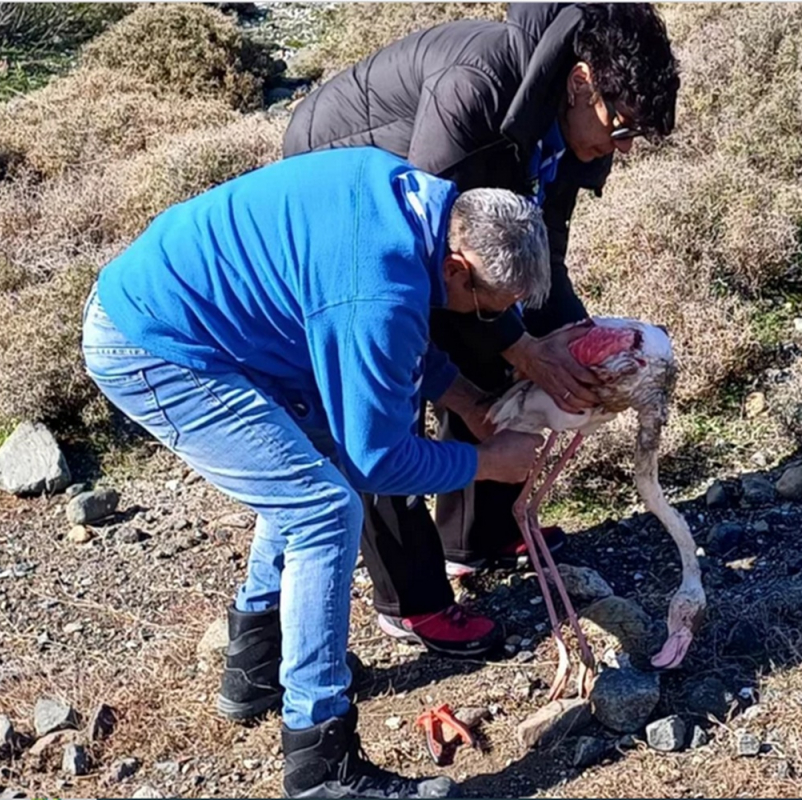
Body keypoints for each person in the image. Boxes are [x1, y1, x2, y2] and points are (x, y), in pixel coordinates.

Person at [81, 146, 549, 799]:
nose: (487, 321)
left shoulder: (412, 202)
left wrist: (467, 402)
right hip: (154, 344)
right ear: (457, 267)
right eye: (489, 308)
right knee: (324, 511)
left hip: (193, 316)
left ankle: (257, 667)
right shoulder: (380, 286)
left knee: (313, 472)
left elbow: (396, 342)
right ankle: (321, 763)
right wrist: (488, 464)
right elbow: (379, 459)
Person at [282, 2, 679, 657]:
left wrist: (568, 340)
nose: (624, 148)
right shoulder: (478, 90)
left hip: (443, 217)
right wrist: (522, 346)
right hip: (346, 179)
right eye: (623, 127)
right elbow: (441, 259)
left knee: (505, 340)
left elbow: (536, 250)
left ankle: (478, 536)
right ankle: (411, 602)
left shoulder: (565, 122)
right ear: (583, 84)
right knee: (389, 384)